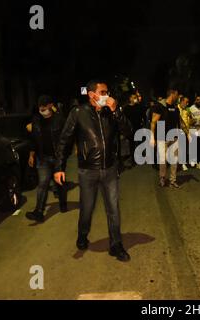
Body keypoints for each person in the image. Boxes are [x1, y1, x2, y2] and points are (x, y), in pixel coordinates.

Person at [53, 79, 132, 262]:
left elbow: (128, 131)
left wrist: (116, 111)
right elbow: (64, 140)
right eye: (103, 92)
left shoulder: (111, 113)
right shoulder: (79, 113)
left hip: (110, 169)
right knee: (87, 209)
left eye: (107, 92)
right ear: (92, 95)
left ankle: (116, 245)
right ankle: (82, 234)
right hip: (87, 172)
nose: (107, 96)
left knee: (113, 209)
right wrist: (59, 168)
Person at [25, 95, 69, 223]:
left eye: (44, 107)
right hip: (42, 158)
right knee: (42, 184)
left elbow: (66, 138)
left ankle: (63, 203)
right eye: (40, 107)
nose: (42, 109)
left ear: (50, 106)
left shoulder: (59, 120)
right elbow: (33, 140)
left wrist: (64, 154)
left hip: (57, 158)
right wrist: (31, 154)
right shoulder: (36, 120)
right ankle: (39, 212)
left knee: (59, 183)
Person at [150, 89, 184, 188]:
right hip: (162, 137)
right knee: (163, 160)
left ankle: (173, 180)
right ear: (172, 95)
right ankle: (162, 179)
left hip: (174, 137)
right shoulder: (159, 106)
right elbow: (153, 122)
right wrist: (152, 137)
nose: (178, 97)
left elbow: (179, 123)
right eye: (177, 95)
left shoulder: (175, 108)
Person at [123, 92, 146, 166]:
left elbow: (144, 116)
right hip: (131, 129)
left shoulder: (139, 107)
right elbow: (124, 119)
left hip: (139, 128)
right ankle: (133, 160)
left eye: (135, 97)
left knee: (140, 143)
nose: (135, 99)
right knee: (132, 145)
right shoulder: (126, 108)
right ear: (130, 99)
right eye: (133, 97)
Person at [178, 96, 195, 171]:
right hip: (178, 130)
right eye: (186, 102)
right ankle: (181, 163)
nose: (187, 103)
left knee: (185, 147)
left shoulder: (187, 110)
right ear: (181, 101)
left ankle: (184, 162)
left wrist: (193, 120)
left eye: (188, 102)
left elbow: (191, 120)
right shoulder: (176, 108)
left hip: (186, 130)